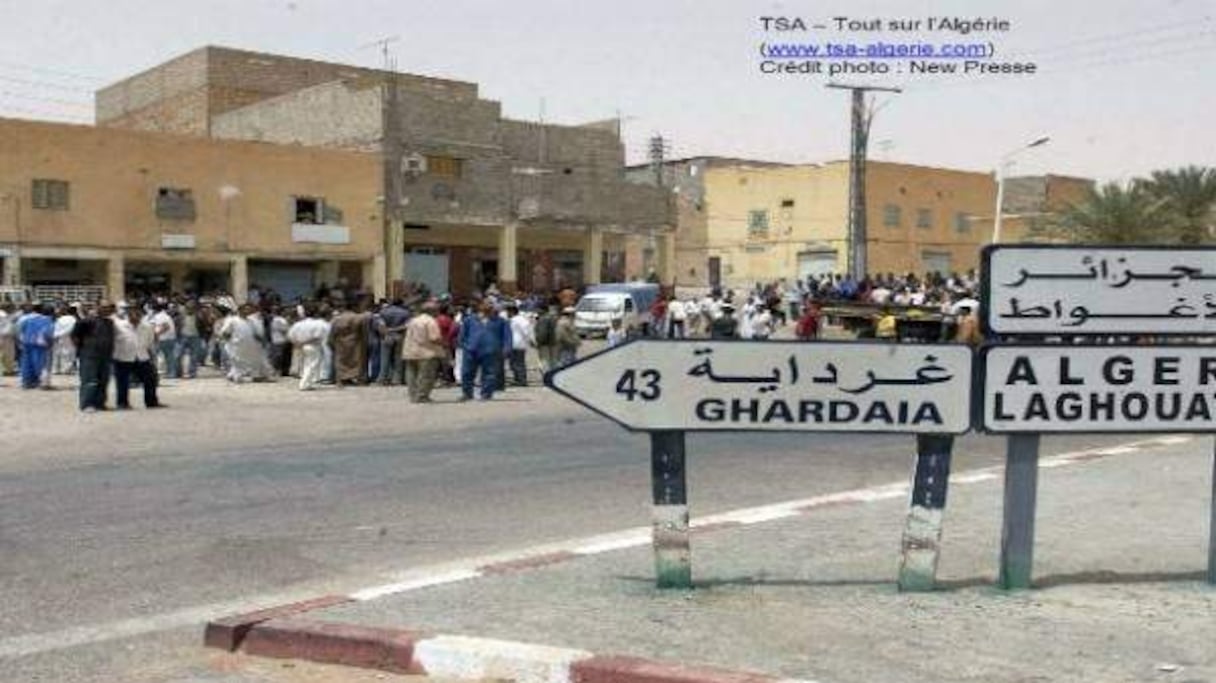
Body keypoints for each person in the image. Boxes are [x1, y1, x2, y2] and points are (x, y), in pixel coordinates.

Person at [457, 301, 511, 401]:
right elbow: (462, 335)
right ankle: (467, 393)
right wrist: (465, 345)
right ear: (480, 307)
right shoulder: (470, 320)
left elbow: (507, 336)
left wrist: (506, 349)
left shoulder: (501, 321)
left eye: (490, 305)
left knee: (490, 373)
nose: (488, 307)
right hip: (471, 350)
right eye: (485, 304)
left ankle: (486, 394)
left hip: (491, 351)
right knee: (467, 373)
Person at [112, 306, 164, 409]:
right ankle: (122, 403)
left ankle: (151, 402)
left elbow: (150, 342)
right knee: (122, 382)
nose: (135, 316)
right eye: (132, 313)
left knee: (150, 379)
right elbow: (112, 341)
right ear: (128, 314)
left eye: (137, 313)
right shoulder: (118, 326)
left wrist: (152, 356)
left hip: (142, 357)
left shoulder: (147, 326)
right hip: (123, 357)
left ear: (141, 314)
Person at [71, 301, 116, 412]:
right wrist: (83, 349)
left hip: (105, 356)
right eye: (104, 307)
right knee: (90, 380)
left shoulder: (110, 322)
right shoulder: (87, 321)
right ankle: (87, 404)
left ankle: (100, 403)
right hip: (89, 355)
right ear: (97, 307)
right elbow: (75, 336)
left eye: (108, 308)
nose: (106, 310)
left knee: (103, 380)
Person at [402, 301, 445, 403]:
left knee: (411, 375)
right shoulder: (431, 321)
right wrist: (444, 344)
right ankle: (422, 396)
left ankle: (413, 396)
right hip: (426, 352)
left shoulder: (413, 320)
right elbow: (434, 338)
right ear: (432, 311)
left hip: (410, 351)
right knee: (426, 375)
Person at [287, 305, 330, 391]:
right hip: (313, 346)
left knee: (305, 364)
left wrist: (298, 343)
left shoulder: (298, 324)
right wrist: (306, 341)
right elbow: (317, 337)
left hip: (300, 346)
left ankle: (308, 383)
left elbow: (290, 336)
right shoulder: (318, 324)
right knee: (311, 365)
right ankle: (304, 384)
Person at [329, 300, 369, 386]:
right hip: (355, 341)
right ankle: (358, 379)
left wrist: (331, 342)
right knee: (357, 360)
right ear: (354, 307)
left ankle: (340, 380)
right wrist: (365, 342)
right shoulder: (360, 318)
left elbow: (333, 332)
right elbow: (364, 332)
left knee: (341, 361)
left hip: (341, 342)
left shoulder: (337, 319)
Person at [17, 304, 54, 389]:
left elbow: (19, 331)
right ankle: (42, 383)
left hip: (26, 343)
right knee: (40, 364)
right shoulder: (46, 320)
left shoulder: (25, 318)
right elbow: (48, 333)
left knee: (26, 363)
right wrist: (50, 343)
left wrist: (20, 342)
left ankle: (27, 382)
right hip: (40, 344)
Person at [376, 298, 410, 386]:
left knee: (385, 359)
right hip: (399, 336)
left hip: (387, 336)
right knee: (398, 359)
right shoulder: (405, 313)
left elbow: (381, 325)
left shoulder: (383, 312)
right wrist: (394, 329)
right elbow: (406, 326)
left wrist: (386, 332)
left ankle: (382, 379)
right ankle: (397, 380)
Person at [148, 303, 178, 379]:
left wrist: (156, 335)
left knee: (154, 356)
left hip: (163, 339)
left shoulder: (159, 316)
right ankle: (171, 373)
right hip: (170, 338)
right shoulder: (166, 316)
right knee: (170, 357)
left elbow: (165, 326)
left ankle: (156, 373)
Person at [506, 304, 532, 387]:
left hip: (518, 344)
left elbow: (526, 330)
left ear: (512, 311)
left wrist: (528, 340)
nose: (507, 314)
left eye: (508, 312)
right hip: (513, 344)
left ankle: (522, 380)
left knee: (519, 363)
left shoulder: (520, 320)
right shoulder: (512, 320)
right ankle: (517, 379)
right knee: (513, 363)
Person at [52, 305, 78, 375]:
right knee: (69, 354)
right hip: (69, 337)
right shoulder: (73, 319)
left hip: (59, 337)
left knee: (58, 354)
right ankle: (67, 369)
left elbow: (56, 328)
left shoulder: (60, 319)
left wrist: (56, 335)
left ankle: (57, 369)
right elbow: (73, 329)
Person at [533, 304, 558, 373]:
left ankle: (546, 377)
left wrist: (538, 342)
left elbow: (542, 332)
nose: (536, 311)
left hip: (545, 344)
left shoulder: (543, 319)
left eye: (537, 309)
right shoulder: (553, 317)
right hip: (553, 342)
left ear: (542, 310)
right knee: (553, 361)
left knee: (545, 361)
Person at [0, 302, 15, 376]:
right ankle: (8, 370)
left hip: (5, 336)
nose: (13, 310)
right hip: (5, 337)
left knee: (4, 355)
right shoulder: (4, 315)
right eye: (12, 308)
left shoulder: (5, 315)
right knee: (7, 355)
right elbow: (8, 328)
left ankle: (7, 370)